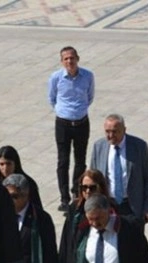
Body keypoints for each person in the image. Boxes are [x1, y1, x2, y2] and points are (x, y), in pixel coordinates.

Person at [48, 46, 95, 211]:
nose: (70, 61)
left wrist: (78, 111)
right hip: (63, 124)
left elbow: (90, 96)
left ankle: (77, 193)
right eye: (66, 58)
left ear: (78, 58)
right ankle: (64, 198)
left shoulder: (88, 76)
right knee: (63, 161)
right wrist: (64, 112)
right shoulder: (56, 78)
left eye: (72, 58)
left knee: (80, 161)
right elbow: (52, 98)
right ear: (62, 61)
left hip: (81, 122)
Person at [90, 114, 148, 227]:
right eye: (107, 131)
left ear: (124, 130)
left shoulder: (138, 147)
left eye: (115, 131)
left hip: (132, 206)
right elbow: (92, 178)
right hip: (108, 206)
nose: (111, 135)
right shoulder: (99, 147)